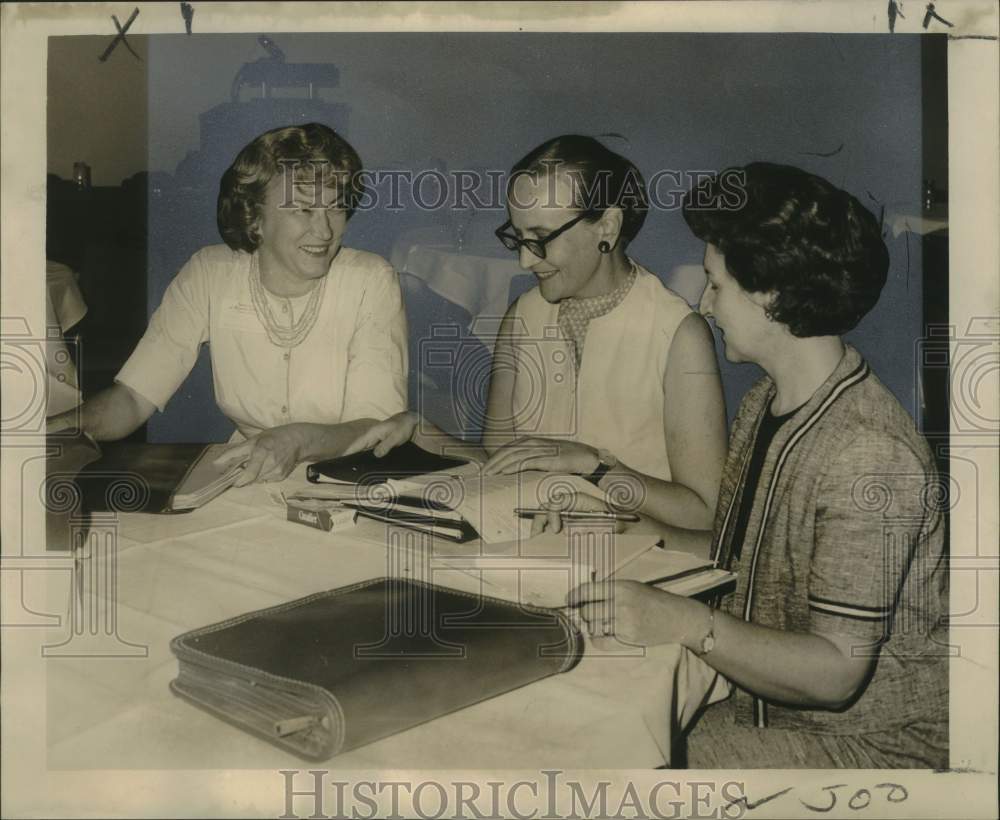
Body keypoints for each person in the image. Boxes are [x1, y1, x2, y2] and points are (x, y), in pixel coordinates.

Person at [565, 162, 948, 768]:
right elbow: (741, 558)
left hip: (870, 745)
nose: (703, 304)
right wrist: (617, 531)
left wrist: (686, 623)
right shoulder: (765, 402)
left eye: (715, 283)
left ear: (768, 293)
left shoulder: (867, 454)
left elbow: (836, 673)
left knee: (610, 764)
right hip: (769, 709)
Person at [350, 135, 728, 533]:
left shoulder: (679, 335)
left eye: (541, 238)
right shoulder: (523, 317)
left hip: (634, 565)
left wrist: (594, 466)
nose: (525, 260)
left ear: (608, 226)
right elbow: (502, 464)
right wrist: (425, 433)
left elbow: (705, 512)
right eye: (517, 237)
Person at [49, 123, 407, 485]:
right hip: (246, 476)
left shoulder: (370, 281)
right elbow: (134, 396)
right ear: (255, 219)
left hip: (352, 479)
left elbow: (375, 429)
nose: (325, 230)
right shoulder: (209, 272)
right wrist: (61, 428)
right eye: (302, 210)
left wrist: (296, 441)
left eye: (335, 208)